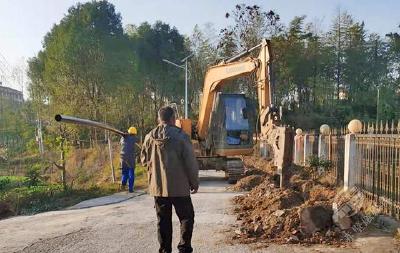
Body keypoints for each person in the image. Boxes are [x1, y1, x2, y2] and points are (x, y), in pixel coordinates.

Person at [141, 106, 199, 253]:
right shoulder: (182, 137)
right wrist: (194, 182)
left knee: (163, 221)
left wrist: (154, 174)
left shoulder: (149, 137)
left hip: (159, 189)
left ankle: (165, 250)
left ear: (159, 119)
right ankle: (184, 248)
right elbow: (190, 162)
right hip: (180, 189)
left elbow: (143, 160)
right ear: (173, 119)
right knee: (187, 218)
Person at [120, 126, 137, 193]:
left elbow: (122, 143)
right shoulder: (134, 139)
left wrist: (125, 135)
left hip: (122, 157)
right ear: (134, 133)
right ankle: (130, 189)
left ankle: (123, 184)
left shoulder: (122, 138)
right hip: (131, 158)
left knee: (124, 172)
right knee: (131, 173)